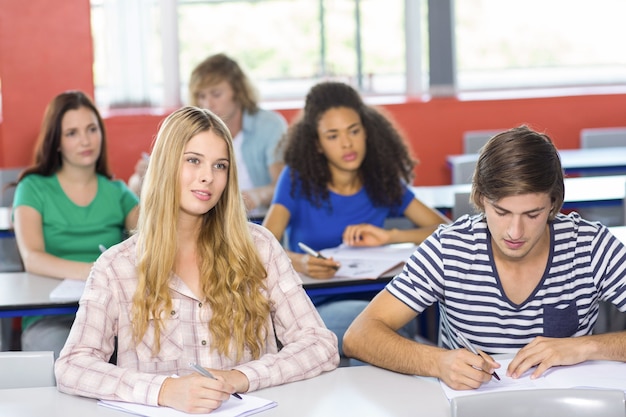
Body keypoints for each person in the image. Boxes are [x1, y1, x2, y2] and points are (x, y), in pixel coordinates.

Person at [55, 106, 339, 413]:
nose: (207, 177)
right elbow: (73, 365)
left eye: (220, 166)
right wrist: (165, 390)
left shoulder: (259, 247)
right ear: (165, 165)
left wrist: (239, 377)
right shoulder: (117, 267)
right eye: (193, 161)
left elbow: (320, 344)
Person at [343, 125, 626, 390]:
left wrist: (588, 346)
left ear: (554, 203)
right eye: (501, 213)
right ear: (480, 199)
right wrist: (438, 362)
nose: (516, 232)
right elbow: (359, 336)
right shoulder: (449, 249)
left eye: (533, 214)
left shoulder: (590, 245)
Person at [262, 81, 450, 353]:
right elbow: (262, 245)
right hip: (318, 305)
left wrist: (391, 237)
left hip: (384, 302)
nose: (347, 143)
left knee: (388, 330)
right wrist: (301, 262)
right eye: (333, 136)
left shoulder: (382, 179)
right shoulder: (295, 179)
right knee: (382, 335)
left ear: (367, 131)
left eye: (354, 131)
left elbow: (445, 230)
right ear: (316, 143)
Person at [11, 90, 139, 358]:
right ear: (56, 141)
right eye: (72, 133)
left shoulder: (118, 191)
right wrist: (94, 271)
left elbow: (149, 238)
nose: (85, 140)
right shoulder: (32, 188)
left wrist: (147, 188)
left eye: (92, 129)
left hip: (111, 314)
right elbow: (32, 257)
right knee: (65, 361)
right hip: (50, 316)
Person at [129, 53, 287, 212]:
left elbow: (284, 184)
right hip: (204, 219)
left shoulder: (270, 125)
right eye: (201, 96)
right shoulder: (189, 127)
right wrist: (144, 177)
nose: (207, 104)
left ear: (238, 91)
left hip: (258, 219)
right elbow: (138, 188)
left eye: (216, 94)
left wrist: (255, 196)